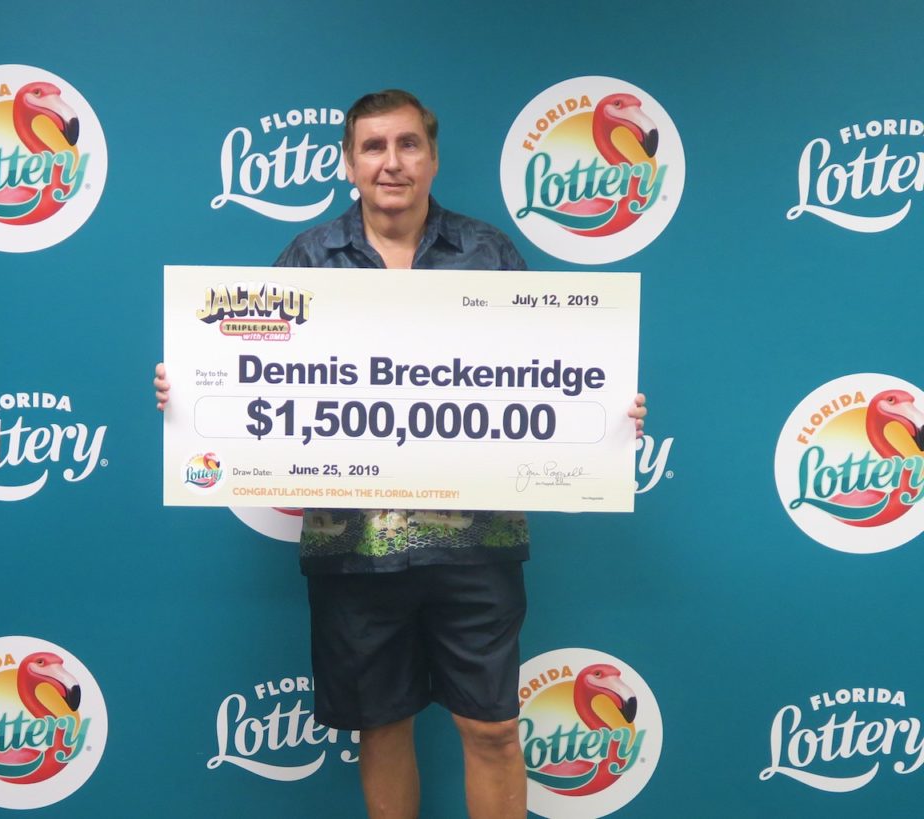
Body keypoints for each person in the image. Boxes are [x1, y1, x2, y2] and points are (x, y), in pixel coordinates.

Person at [156, 89, 646, 819]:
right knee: (381, 727)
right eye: (375, 147)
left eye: (409, 145)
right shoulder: (308, 258)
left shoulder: (489, 254)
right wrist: (192, 387)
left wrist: (606, 411)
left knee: (492, 727)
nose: (393, 162)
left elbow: (551, 370)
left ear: (433, 158)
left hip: (477, 540)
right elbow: (255, 371)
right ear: (349, 163)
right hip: (355, 546)